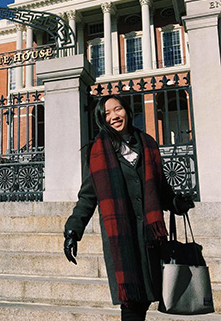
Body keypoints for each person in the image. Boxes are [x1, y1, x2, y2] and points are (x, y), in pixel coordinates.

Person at [63, 95, 194, 321]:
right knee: (131, 301)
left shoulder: (147, 143)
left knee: (143, 300)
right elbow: (87, 197)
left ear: (127, 110)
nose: (114, 116)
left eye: (118, 109)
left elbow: (161, 190)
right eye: (107, 113)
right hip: (122, 237)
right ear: (101, 119)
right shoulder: (98, 152)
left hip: (149, 236)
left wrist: (177, 203)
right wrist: (73, 231)